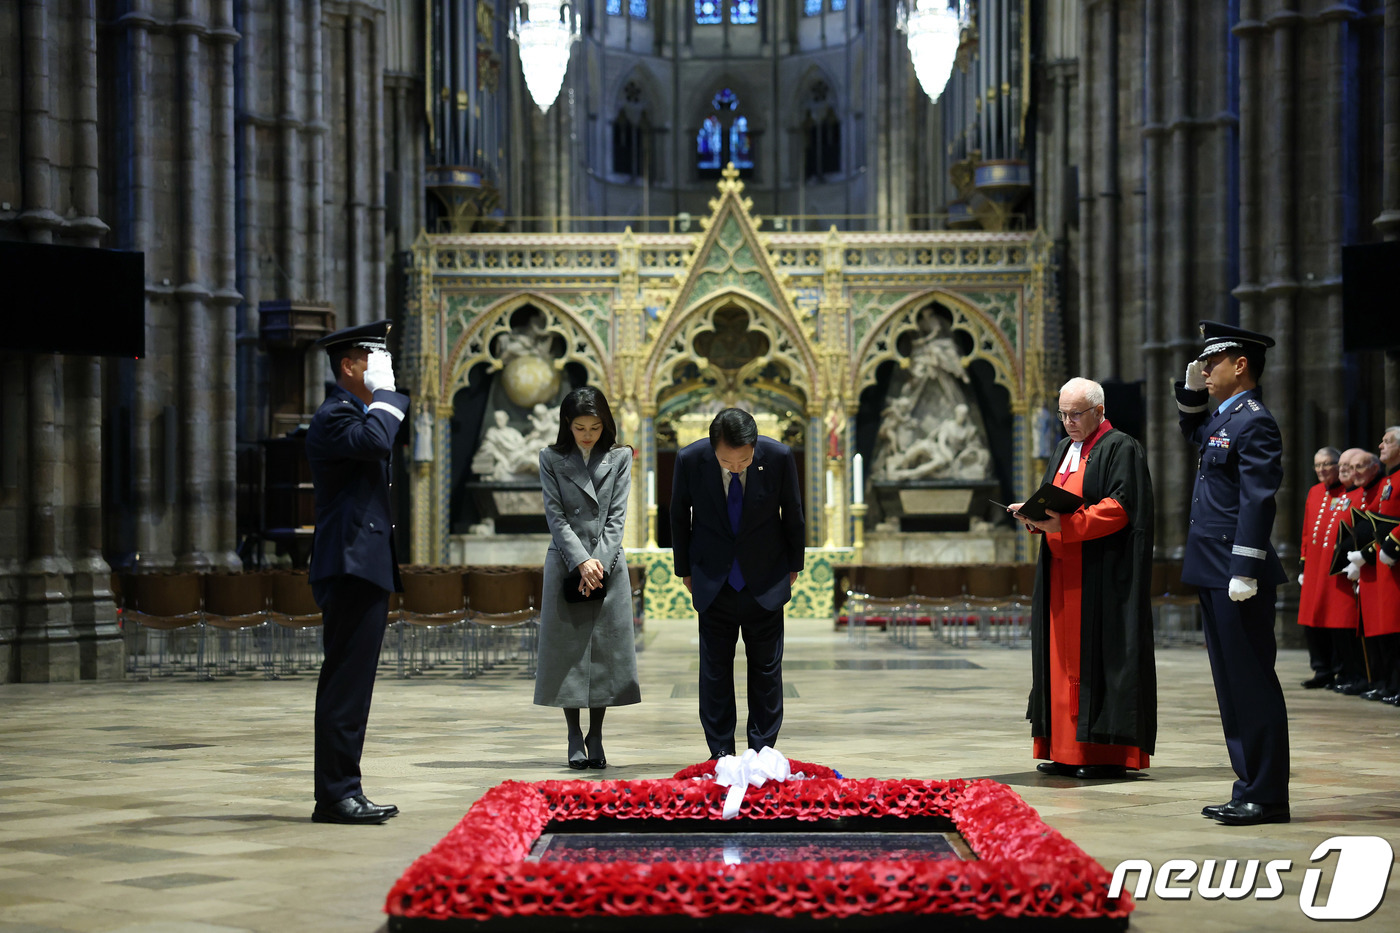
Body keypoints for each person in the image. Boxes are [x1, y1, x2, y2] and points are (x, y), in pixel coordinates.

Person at [1011, 377, 1156, 781]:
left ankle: (1100, 752)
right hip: (1061, 573)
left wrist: (1066, 524)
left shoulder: (1119, 447)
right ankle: (1063, 748)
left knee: (1095, 659)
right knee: (1058, 660)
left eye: (1076, 414)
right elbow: (1053, 498)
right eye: (1063, 414)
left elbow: (1119, 507)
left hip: (1100, 577)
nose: (1068, 422)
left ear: (1099, 412)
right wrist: (1035, 517)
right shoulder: (1063, 449)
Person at [1175, 320, 1289, 826]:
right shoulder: (1225, 419)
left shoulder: (1254, 421)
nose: (1204, 368)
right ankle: (1248, 786)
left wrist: (1245, 567)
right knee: (1231, 686)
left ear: (1240, 365)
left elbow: (1258, 501)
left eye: (1211, 362)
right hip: (1212, 569)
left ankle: (1266, 795)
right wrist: (1190, 391)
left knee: (1251, 684)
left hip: (1236, 572)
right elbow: (1193, 431)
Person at [306, 320, 407, 825]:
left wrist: (382, 396)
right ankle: (337, 794)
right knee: (345, 684)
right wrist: (387, 394)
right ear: (350, 365)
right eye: (375, 358)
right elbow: (376, 442)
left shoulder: (354, 411)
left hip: (361, 564)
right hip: (349, 564)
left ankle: (346, 789)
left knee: (353, 684)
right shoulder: (336, 415)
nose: (384, 368)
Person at [670, 408, 805, 758]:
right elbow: (678, 514)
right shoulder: (690, 459)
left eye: (743, 461)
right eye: (727, 462)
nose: (736, 468)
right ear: (713, 447)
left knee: (766, 672)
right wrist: (685, 569)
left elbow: (792, 510)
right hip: (714, 581)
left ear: (754, 447)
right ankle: (721, 754)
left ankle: (761, 751)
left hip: (766, 579)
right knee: (714, 673)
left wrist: (794, 565)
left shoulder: (778, 457)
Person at [534, 387, 641, 769]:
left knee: (604, 655)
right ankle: (573, 733)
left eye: (595, 427)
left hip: (607, 565)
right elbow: (556, 517)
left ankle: (596, 733)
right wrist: (581, 562)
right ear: (568, 424)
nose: (587, 435)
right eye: (580, 427)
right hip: (566, 563)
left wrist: (598, 563)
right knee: (569, 653)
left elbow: (616, 517)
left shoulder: (620, 456)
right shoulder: (550, 458)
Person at [1295, 447, 1351, 689]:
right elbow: (1307, 531)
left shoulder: (1350, 491)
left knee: (1336, 620)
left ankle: (1341, 671)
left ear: (1338, 466)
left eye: (1326, 464)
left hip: (1335, 567)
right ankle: (1321, 669)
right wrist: (1303, 563)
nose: (1321, 470)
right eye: (1317, 465)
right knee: (1312, 619)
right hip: (1314, 568)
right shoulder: (1315, 491)